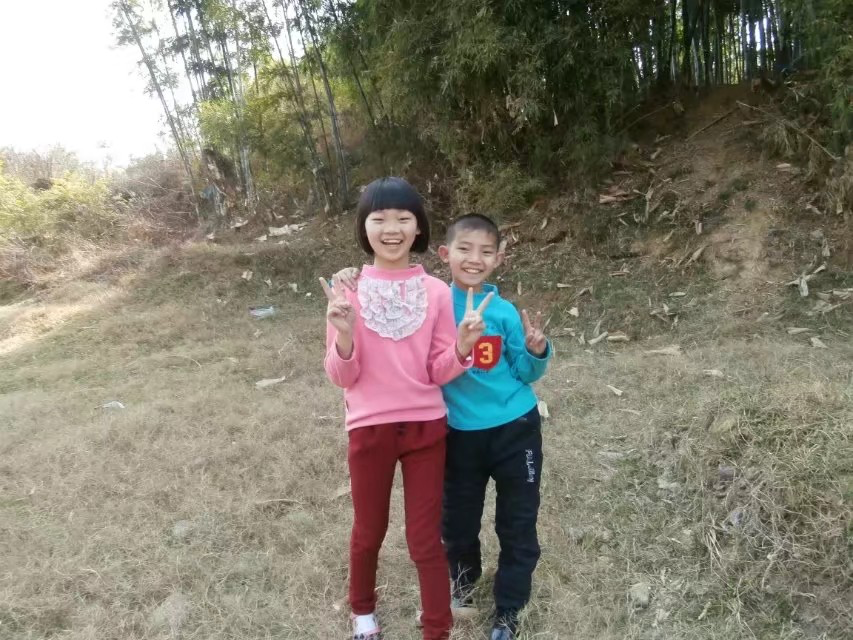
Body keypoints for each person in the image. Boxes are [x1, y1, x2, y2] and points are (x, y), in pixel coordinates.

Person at [334, 213, 552, 640]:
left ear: (499, 258)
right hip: (458, 432)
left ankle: (509, 609)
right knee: (457, 522)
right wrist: (351, 277)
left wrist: (536, 351)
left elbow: (525, 372)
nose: (474, 259)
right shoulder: (429, 300)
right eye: (464, 249)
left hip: (515, 428)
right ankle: (462, 588)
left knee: (518, 521)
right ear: (444, 253)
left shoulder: (504, 311)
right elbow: (389, 301)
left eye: (486, 252)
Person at [320, 178, 492, 640]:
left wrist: (462, 347)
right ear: (364, 227)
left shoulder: (435, 292)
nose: (391, 228)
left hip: (426, 429)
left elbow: (437, 370)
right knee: (368, 530)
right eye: (379, 219)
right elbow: (341, 376)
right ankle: (362, 612)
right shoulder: (345, 291)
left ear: (419, 228)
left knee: (424, 537)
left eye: (403, 218)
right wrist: (344, 335)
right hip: (369, 429)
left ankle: (437, 627)